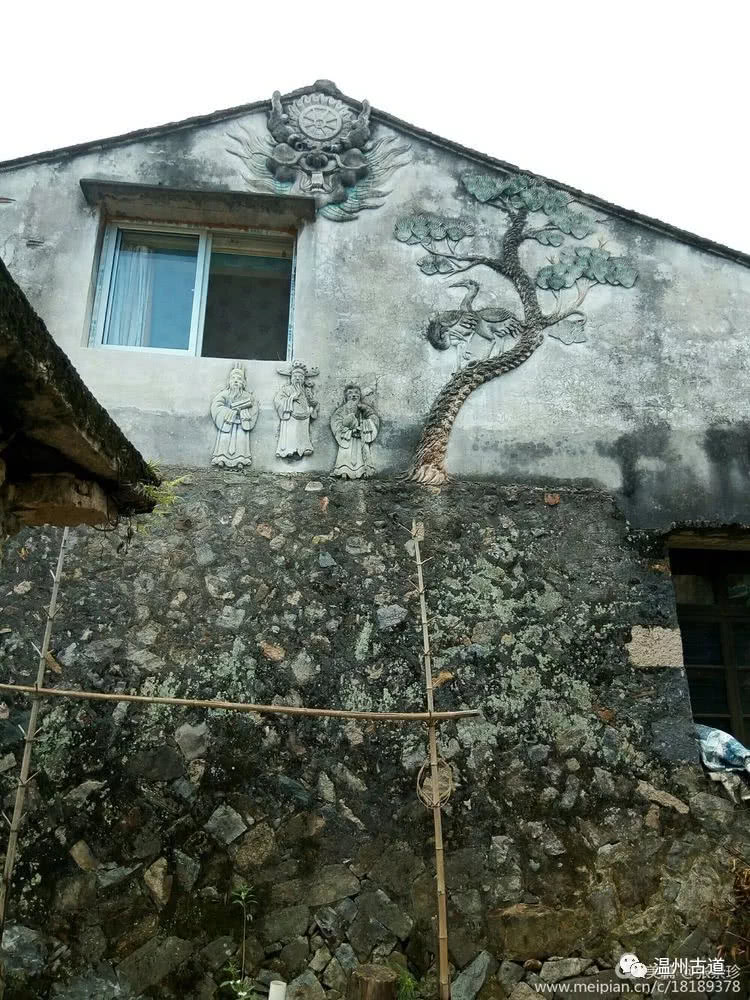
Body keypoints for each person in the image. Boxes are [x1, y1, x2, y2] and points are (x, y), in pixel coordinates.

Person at [210, 365, 258, 469]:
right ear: (229, 381)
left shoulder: (247, 396)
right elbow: (217, 406)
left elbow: (254, 408)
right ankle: (221, 458)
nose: (236, 381)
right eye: (233, 378)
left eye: (239, 379)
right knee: (224, 439)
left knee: (241, 440)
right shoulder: (224, 394)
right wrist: (229, 411)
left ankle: (241, 459)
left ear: (243, 383)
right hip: (227, 423)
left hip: (241, 423)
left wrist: (242, 412)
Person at [330, 384, 380, 479]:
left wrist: (365, 424)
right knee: (345, 453)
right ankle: (343, 471)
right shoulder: (341, 410)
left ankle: (364, 471)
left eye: (356, 393)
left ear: (360, 396)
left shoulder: (364, 408)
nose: (353, 395)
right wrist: (347, 428)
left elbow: (373, 418)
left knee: (362, 453)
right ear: (346, 396)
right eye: (350, 393)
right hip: (347, 437)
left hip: (361, 436)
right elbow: (335, 421)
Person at [274, 361, 319, 458]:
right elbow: (278, 400)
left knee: (303, 432)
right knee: (291, 431)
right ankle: (289, 449)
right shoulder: (286, 389)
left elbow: (313, 402)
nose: (298, 378)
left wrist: (312, 407)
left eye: (300, 377)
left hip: (304, 415)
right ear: (291, 378)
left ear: (304, 379)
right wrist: (290, 399)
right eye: (295, 376)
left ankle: (305, 447)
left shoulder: (305, 390)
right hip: (290, 416)